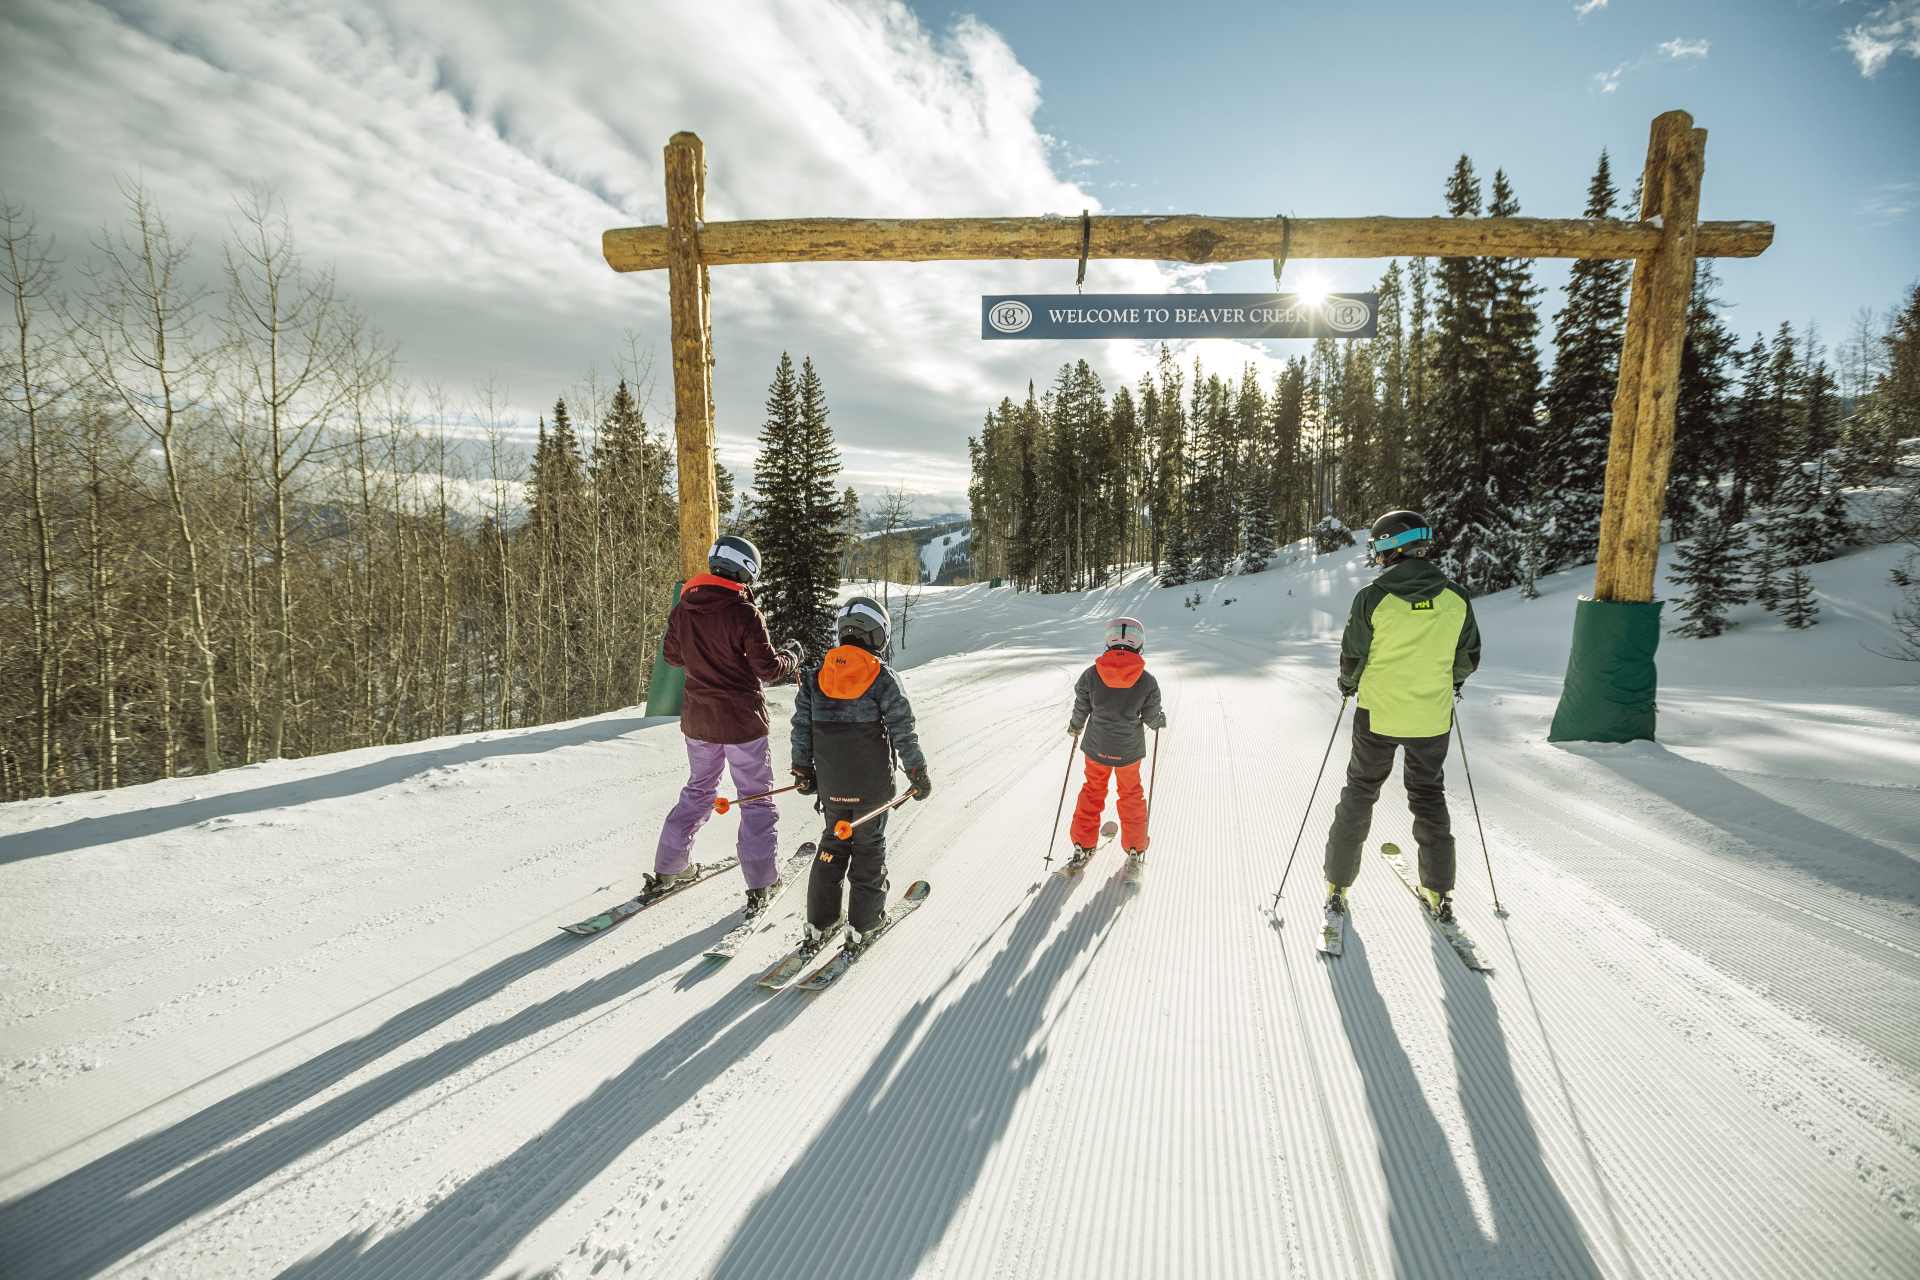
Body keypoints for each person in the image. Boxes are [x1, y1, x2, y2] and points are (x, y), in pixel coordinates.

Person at [1323, 510, 1481, 922]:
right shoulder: (1456, 597)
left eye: (1376, 547)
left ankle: (1338, 882)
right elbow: (1467, 658)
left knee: (1360, 792)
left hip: (1378, 715)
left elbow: (1353, 655)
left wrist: (1347, 684)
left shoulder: (1373, 598)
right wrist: (1452, 683)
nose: (1375, 556)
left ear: (1390, 547)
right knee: (1428, 796)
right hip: (1431, 717)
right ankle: (1438, 889)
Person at [651, 534, 803, 915]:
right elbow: (767, 669)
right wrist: (792, 657)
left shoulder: (685, 606)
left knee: (699, 790)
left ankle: (670, 868)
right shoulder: (743, 612)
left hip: (699, 718)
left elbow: (671, 656)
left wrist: (703, 659)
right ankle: (762, 881)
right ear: (746, 571)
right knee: (755, 798)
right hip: (741, 722)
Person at [790, 596, 930, 952]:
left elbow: (801, 728)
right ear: (877, 635)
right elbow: (902, 729)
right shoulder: (881, 676)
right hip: (871, 788)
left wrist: (802, 769)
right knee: (868, 848)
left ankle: (819, 922)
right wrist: (917, 772)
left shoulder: (815, 675)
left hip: (832, 786)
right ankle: (864, 923)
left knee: (833, 844)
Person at [1067, 617, 1166, 866]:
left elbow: (1082, 707)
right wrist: (1158, 721)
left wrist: (1076, 726)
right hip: (1128, 752)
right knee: (1131, 794)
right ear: (1140, 643)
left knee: (1093, 790)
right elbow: (1151, 717)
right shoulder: (1147, 681)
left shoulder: (1091, 675)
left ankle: (1083, 843)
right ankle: (1135, 847)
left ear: (1109, 640)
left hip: (1097, 747)